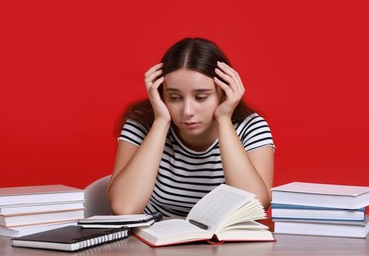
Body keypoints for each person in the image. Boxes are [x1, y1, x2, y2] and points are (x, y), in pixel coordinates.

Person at [107, 37, 275, 217]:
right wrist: (161, 122)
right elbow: (124, 208)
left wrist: (224, 119)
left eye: (201, 97)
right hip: (154, 240)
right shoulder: (142, 125)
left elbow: (254, 206)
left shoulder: (251, 127)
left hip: (222, 242)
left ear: (225, 91)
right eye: (175, 97)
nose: (187, 111)